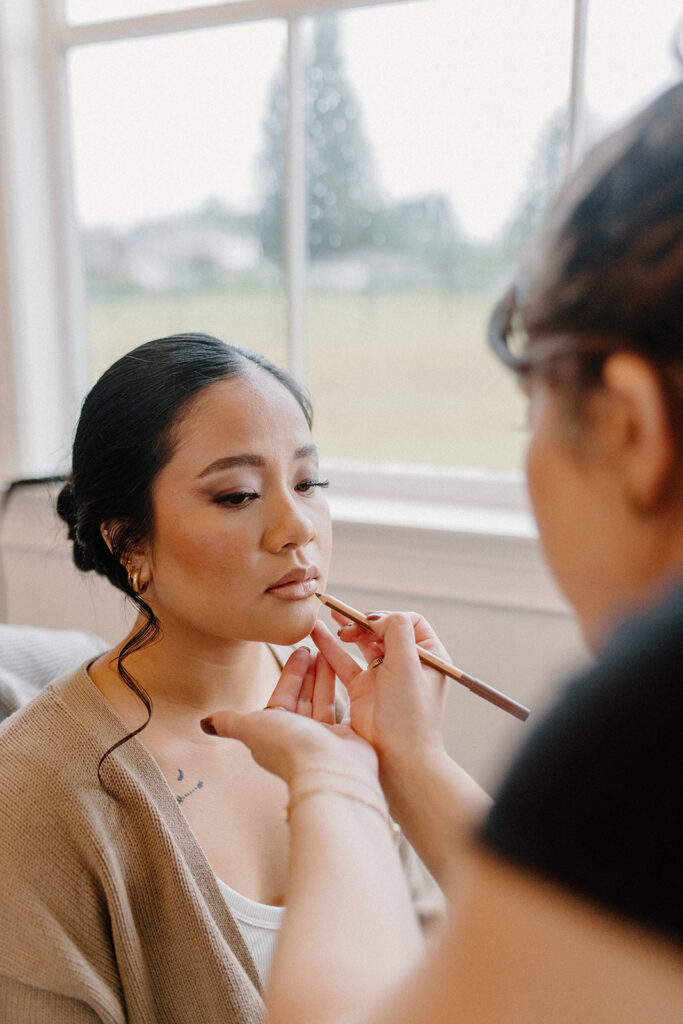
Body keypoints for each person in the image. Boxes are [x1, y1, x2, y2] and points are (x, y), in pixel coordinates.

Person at [200, 80, 683, 1022]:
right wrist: (410, 758)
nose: (294, 527)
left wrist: (332, 776)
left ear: (629, 427)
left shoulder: (651, 716)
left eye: (526, 418)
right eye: (234, 492)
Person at [0, 335, 441, 1023]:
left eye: (308, 483)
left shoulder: (361, 712)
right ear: (128, 542)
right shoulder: (33, 796)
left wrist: (411, 764)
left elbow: (458, 965)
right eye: (237, 495)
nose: (297, 528)